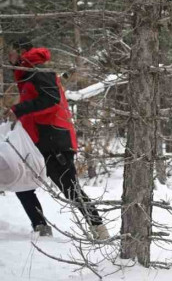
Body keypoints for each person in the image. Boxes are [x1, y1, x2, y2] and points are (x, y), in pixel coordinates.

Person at [3, 37, 109, 240]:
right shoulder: (26, 74)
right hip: (36, 140)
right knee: (21, 181)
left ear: (21, 50)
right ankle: (41, 227)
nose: (8, 56)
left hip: (54, 139)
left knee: (69, 188)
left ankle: (100, 231)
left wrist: (19, 109)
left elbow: (51, 100)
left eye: (11, 52)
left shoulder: (38, 70)